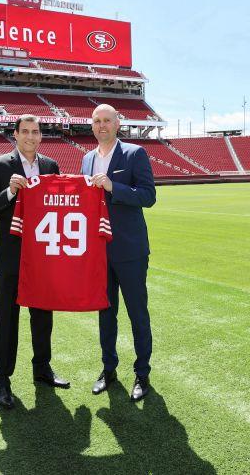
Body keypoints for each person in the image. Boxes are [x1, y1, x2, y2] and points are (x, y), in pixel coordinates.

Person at [0, 114, 70, 409]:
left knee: (43, 317)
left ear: (41, 136)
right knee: (7, 320)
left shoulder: (50, 167)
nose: (31, 136)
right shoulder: (0, 166)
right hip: (12, 258)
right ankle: (2, 380)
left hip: (42, 257)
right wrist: (9, 192)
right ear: (15, 135)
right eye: (25, 131)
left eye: (36, 131)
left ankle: (42, 368)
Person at [80, 104, 156, 401]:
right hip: (99, 252)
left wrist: (114, 187)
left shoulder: (135, 154)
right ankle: (109, 369)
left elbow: (149, 197)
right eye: (97, 121)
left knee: (138, 314)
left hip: (130, 250)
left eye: (107, 121)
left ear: (117, 123)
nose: (102, 126)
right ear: (92, 125)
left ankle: (142, 372)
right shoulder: (86, 159)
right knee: (105, 314)